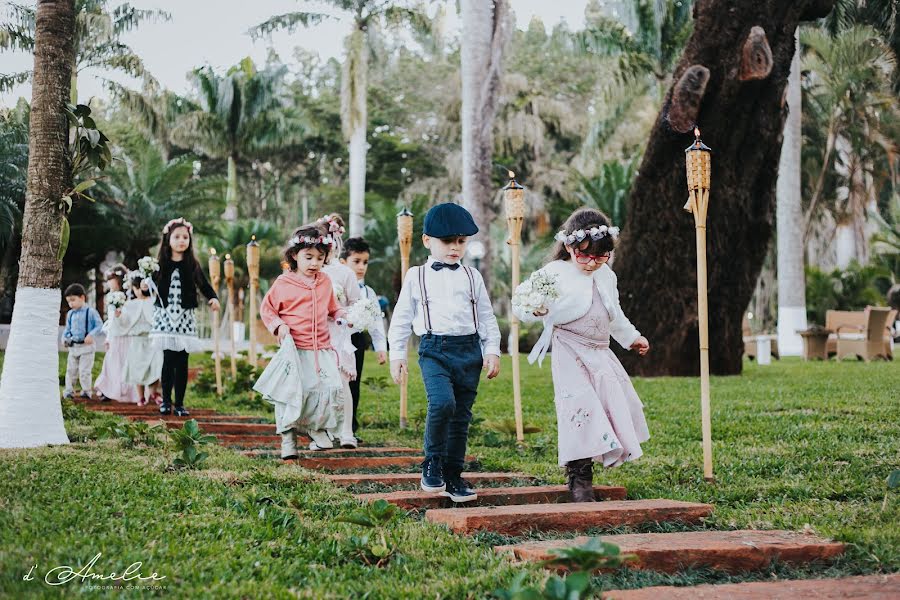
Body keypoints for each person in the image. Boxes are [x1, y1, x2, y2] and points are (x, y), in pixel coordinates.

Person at [514, 207, 650, 502]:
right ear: (568, 247)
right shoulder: (554, 273)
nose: (591, 264)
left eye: (601, 257)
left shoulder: (606, 277)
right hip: (569, 351)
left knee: (606, 406)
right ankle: (579, 476)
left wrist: (632, 338)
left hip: (600, 353)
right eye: (584, 255)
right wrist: (535, 308)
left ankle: (593, 462)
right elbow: (522, 302)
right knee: (581, 408)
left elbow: (615, 316)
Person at [388, 203, 501, 503]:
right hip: (434, 350)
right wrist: (397, 355)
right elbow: (401, 318)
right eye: (447, 241)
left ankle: (453, 473)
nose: (455, 248)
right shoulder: (416, 276)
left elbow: (487, 316)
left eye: (461, 241)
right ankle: (432, 461)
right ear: (427, 241)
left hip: (469, 351)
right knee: (442, 404)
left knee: (461, 416)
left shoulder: (472, 277)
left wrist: (492, 350)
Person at [256, 226, 346, 458]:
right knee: (292, 392)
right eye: (308, 257)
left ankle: (316, 428)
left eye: (320, 257)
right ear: (295, 255)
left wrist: (343, 316)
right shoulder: (284, 283)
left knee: (329, 388)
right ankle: (288, 439)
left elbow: (333, 308)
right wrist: (279, 326)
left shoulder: (325, 281)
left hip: (321, 349)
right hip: (294, 349)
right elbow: (267, 309)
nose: (314, 263)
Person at [150, 217, 220, 416]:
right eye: (177, 237)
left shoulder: (192, 264)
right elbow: (149, 287)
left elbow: (204, 285)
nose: (182, 240)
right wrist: (144, 286)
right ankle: (166, 401)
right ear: (168, 239)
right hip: (164, 316)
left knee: (182, 362)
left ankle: (179, 404)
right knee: (168, 360)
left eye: (185, 237)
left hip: (185, 318)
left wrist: (213, 298)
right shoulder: (160, 263)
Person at [318, 214, 363, 449]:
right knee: (321, 385)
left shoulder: (345, 273)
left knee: (343, 383)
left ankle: (347, 432)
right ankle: (323, 431)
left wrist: (347, 315)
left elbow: (355, 303)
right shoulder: (312, 271)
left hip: (338, 333)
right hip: (316, 333)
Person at [340, 237, 388, 437]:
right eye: (356, 261)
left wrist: (381, 348)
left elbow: (376, 322)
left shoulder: (368, 292)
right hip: (335, 340)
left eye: (365, 262)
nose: (361, 267)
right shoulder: (335, 286)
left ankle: (350, 428)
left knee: (353, 383)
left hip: (356, 340)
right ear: (343, 262)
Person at [95, 264, 139, 403]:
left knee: (126, 362)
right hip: (114, 335)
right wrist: (108, 337)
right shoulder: (111, 296)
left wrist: (121, 315)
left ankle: (127, 392)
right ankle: (109, 390)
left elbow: (132, 316)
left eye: (111, 279)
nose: (108, 283)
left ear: (119, 280)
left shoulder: (129, 296)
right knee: (111, 362)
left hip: (126, 335)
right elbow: (111, 319)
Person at [120, 273, 163, 406]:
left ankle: (154, 392)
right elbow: (124, 321)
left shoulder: (154, 301)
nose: (139, 291)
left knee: (155, 366)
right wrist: (118, 315)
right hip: (137, 340)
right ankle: (140, 397)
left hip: (152, 340)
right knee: (136, 367)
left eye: (141, 287)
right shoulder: (130, 304)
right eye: (136, 288)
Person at [61, 283, 103, 400]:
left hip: (87, 348)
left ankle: (86, 391)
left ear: (82, 298)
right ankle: (69, 390)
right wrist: (64, 338)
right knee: (71, 370)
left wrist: (91, 335)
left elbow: (99, 325)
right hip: (74, 347)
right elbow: (67, 329)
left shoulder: (91, 312)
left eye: (73, 300)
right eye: (69, 301)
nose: (71, 304)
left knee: (84, 370)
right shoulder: (70, 314)